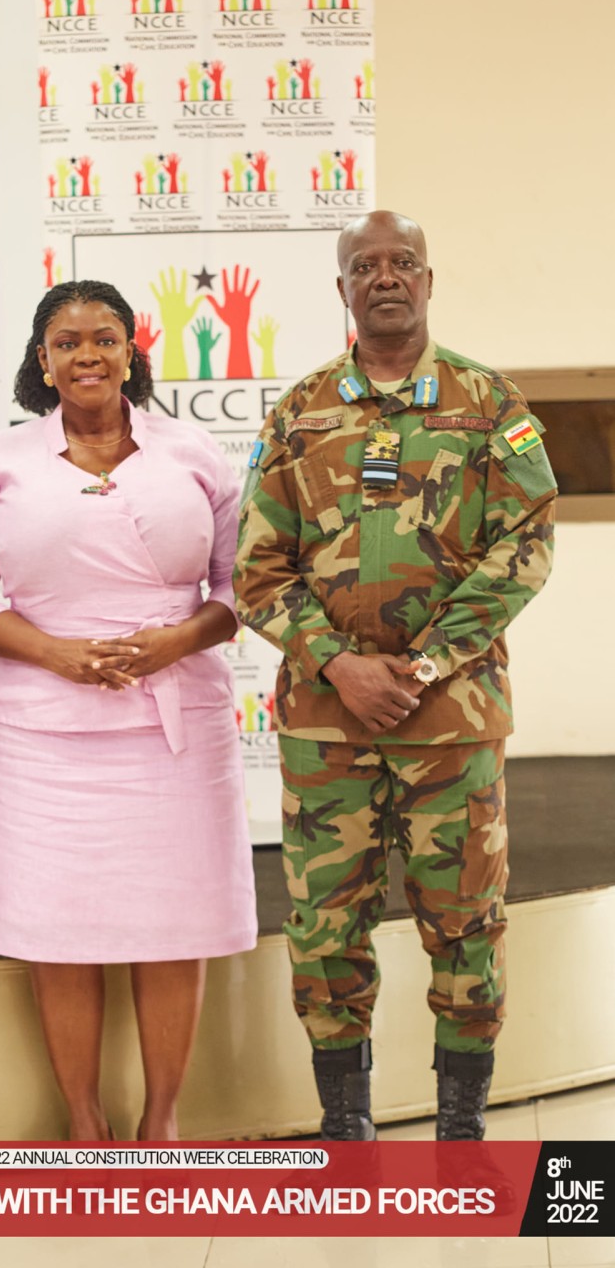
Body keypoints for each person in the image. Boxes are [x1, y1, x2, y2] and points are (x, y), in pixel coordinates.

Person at [234, 211, 557, 1141]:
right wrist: (338, 663)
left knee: (464, 923)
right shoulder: (299, 413)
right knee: (324, 929)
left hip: (449, 722)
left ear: (427, 280)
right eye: (364, 265)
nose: (384, 277)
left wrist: (420, 664)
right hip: (326, 724)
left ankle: (460, 1125)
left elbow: (525, 546)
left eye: (402, 262)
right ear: (341, 289)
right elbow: (256, 568)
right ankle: (345, 1124)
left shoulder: (487, 403)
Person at [0, 280, 257, 1141]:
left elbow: (241, 587)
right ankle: (84, 1121)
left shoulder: (193, 453)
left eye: (104, 338)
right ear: (42, 361)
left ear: (130, 351)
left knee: (174, 924)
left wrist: (176, 640)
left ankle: (162, 1122)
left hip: (174, 730)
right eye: (67, 342)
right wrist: (57, 654)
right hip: (43, 736)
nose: (87, 355)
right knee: (58, 929)